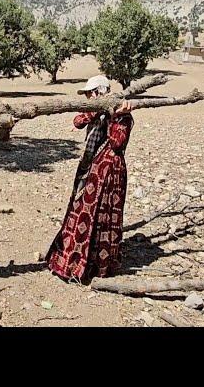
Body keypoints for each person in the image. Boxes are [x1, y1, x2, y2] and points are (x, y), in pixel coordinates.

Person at [45, 75, 134, 283]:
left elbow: (117, 142)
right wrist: (98, 110)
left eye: (89, 94)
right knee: (81, 211)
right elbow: (77, 121)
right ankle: (71, 262)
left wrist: (115, 116)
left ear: (98, 92)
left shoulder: (123, 116)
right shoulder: (95, 112)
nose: (87, 98)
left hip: (109, 172)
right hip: (91, 167)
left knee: (98, 216)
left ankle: (93, 267)